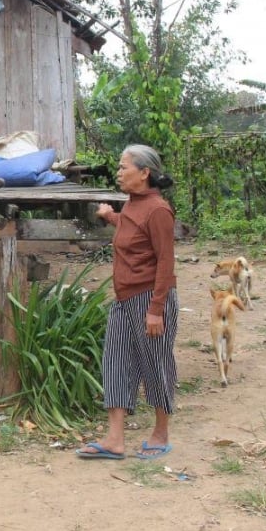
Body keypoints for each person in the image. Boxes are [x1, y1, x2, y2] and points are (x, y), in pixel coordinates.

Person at [77, 144, 178, 461]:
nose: (119, 173)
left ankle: (160, 433)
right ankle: (114, 439)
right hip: (123, 298)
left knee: (156, 364)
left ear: (144, 172)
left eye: (124, 167)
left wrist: (156, 310)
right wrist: (112, 217)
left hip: (150, 300)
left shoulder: (159, 210)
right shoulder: (133, 205)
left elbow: (165, 263)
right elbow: (133, 229)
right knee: (116, 361)